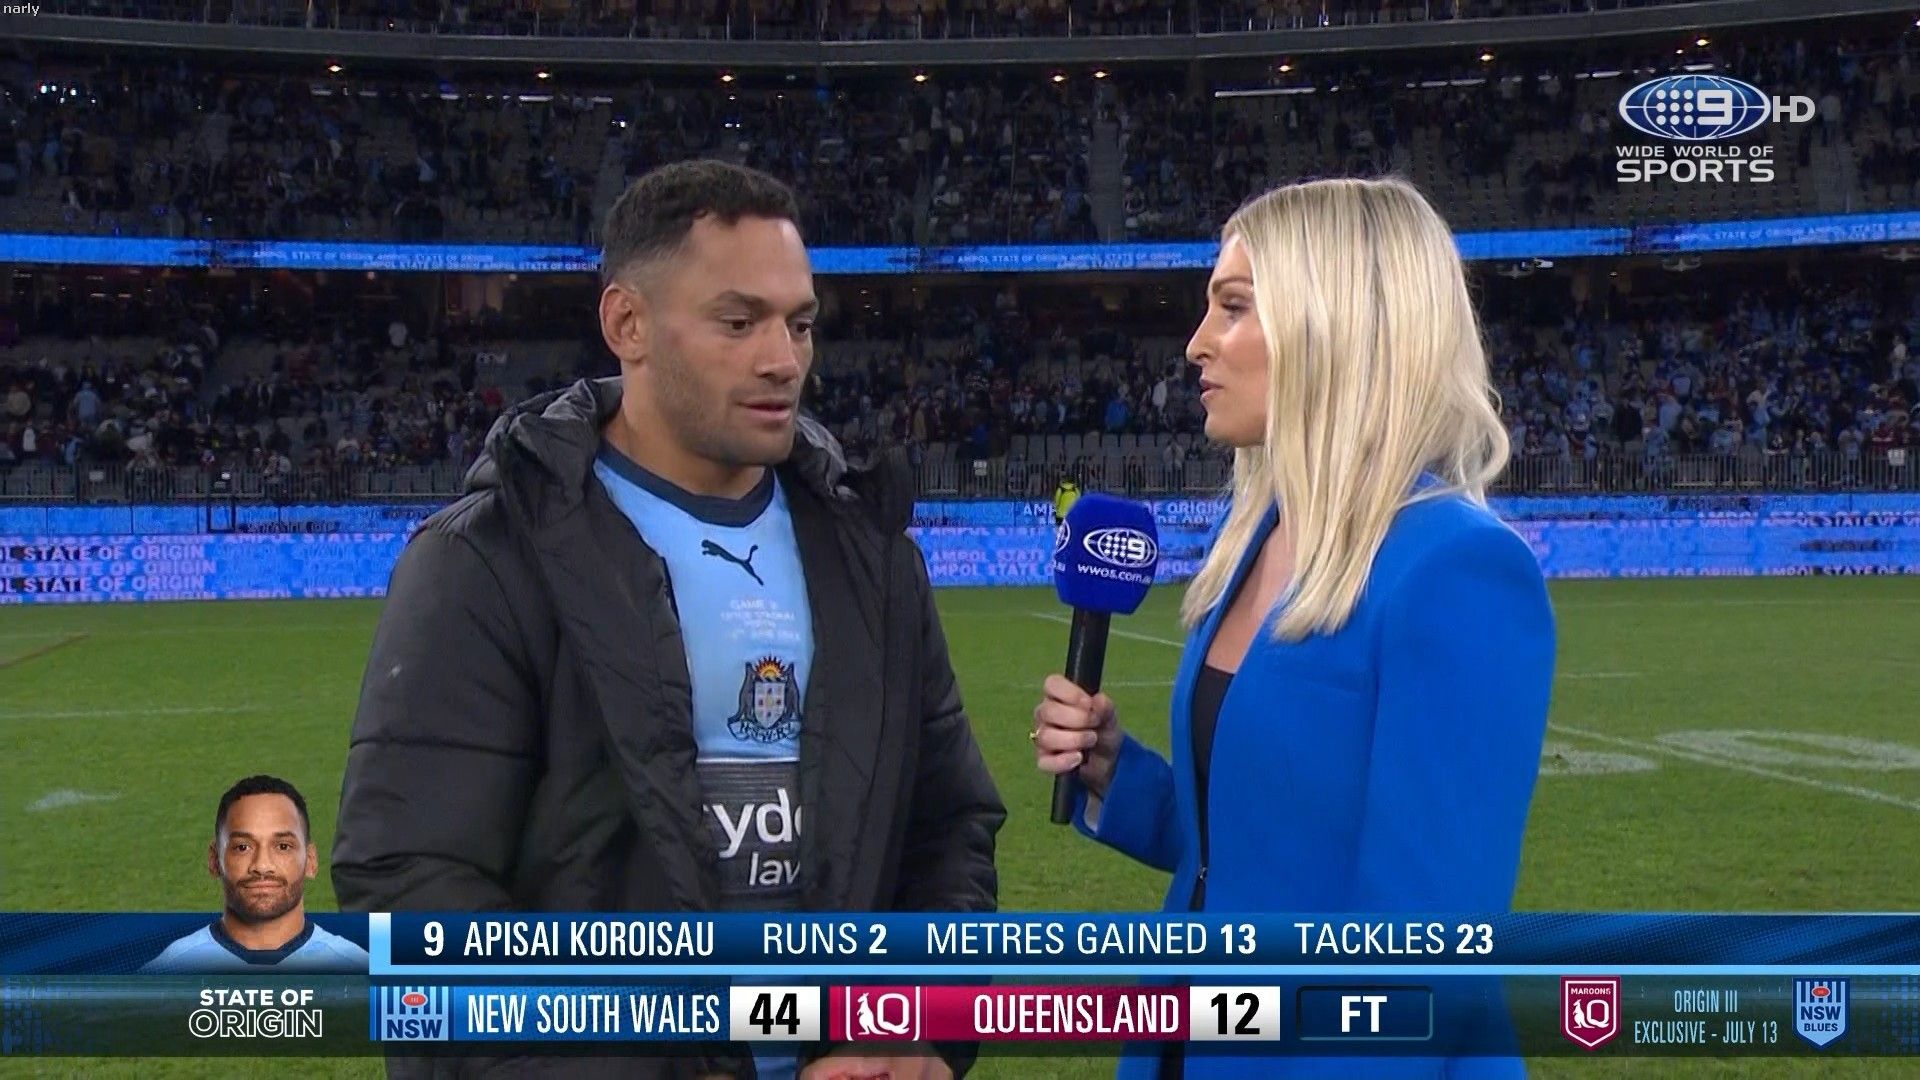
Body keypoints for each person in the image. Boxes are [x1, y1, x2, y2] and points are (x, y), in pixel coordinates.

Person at [333, 159, 1004, 1080]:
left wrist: (915, 1026)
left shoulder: (872, 555)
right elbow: (412, 884)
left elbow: (948, 827)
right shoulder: (486, 560)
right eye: (739, 322)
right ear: (627, 325)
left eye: (800, 323)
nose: (784, 359)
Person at [1030, 176, 1555, 1080]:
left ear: (1334, 327)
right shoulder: (1253, 542)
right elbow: (1246, 850)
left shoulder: (1457, 570)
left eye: (1233, 307)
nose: (1196, 343)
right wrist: (1122, 777)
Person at [143, 775, 368, 974]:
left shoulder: (360, 973)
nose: (262, 866)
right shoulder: (165, 976)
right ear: (214, 860)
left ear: (310, 860)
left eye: (282, 846)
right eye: (243, 847)